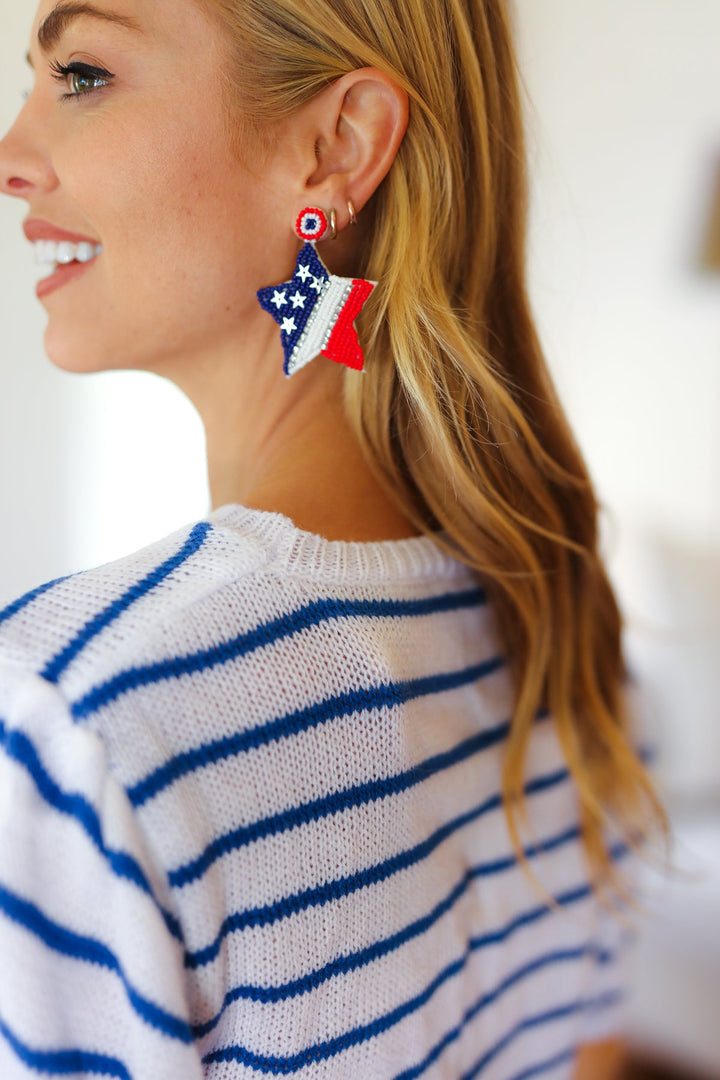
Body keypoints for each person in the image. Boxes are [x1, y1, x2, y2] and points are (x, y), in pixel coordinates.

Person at [0, 0, 670, 1077]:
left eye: (82, 72)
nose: (12, 158)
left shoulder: (73, 724)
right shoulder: (562, 627)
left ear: (339, 146)